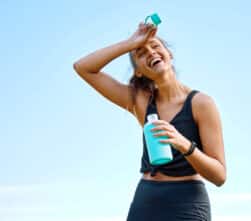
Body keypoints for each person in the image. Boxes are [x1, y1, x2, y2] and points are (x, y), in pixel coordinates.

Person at [73, 22, 226, 221]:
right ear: (138, 71)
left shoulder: (201, 103)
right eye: (141, 53)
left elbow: (219, 175)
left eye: (155, 46)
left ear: (169, 54)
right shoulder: (140, 101)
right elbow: (83, 68)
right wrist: (130, 43)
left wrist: (184, 144)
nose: (151, 52)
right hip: (147, 199)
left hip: (187, 203)